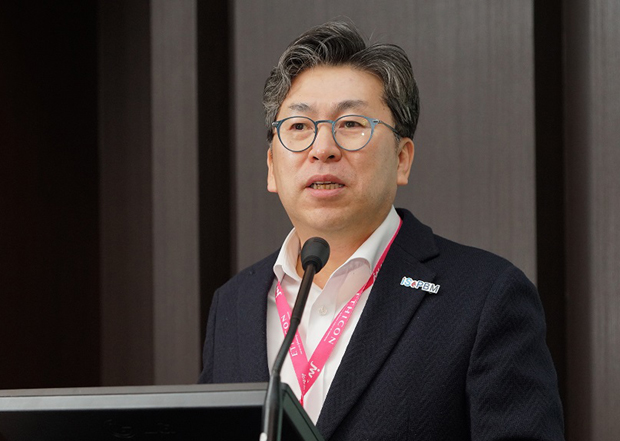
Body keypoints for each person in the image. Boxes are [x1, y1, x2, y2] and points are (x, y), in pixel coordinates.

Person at [199, 21, 564, 441]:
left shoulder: (484, 296)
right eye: (299, 126)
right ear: (270, 167)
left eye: (351, 124)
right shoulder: (234, 304)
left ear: (402, 158)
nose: (323, 148)